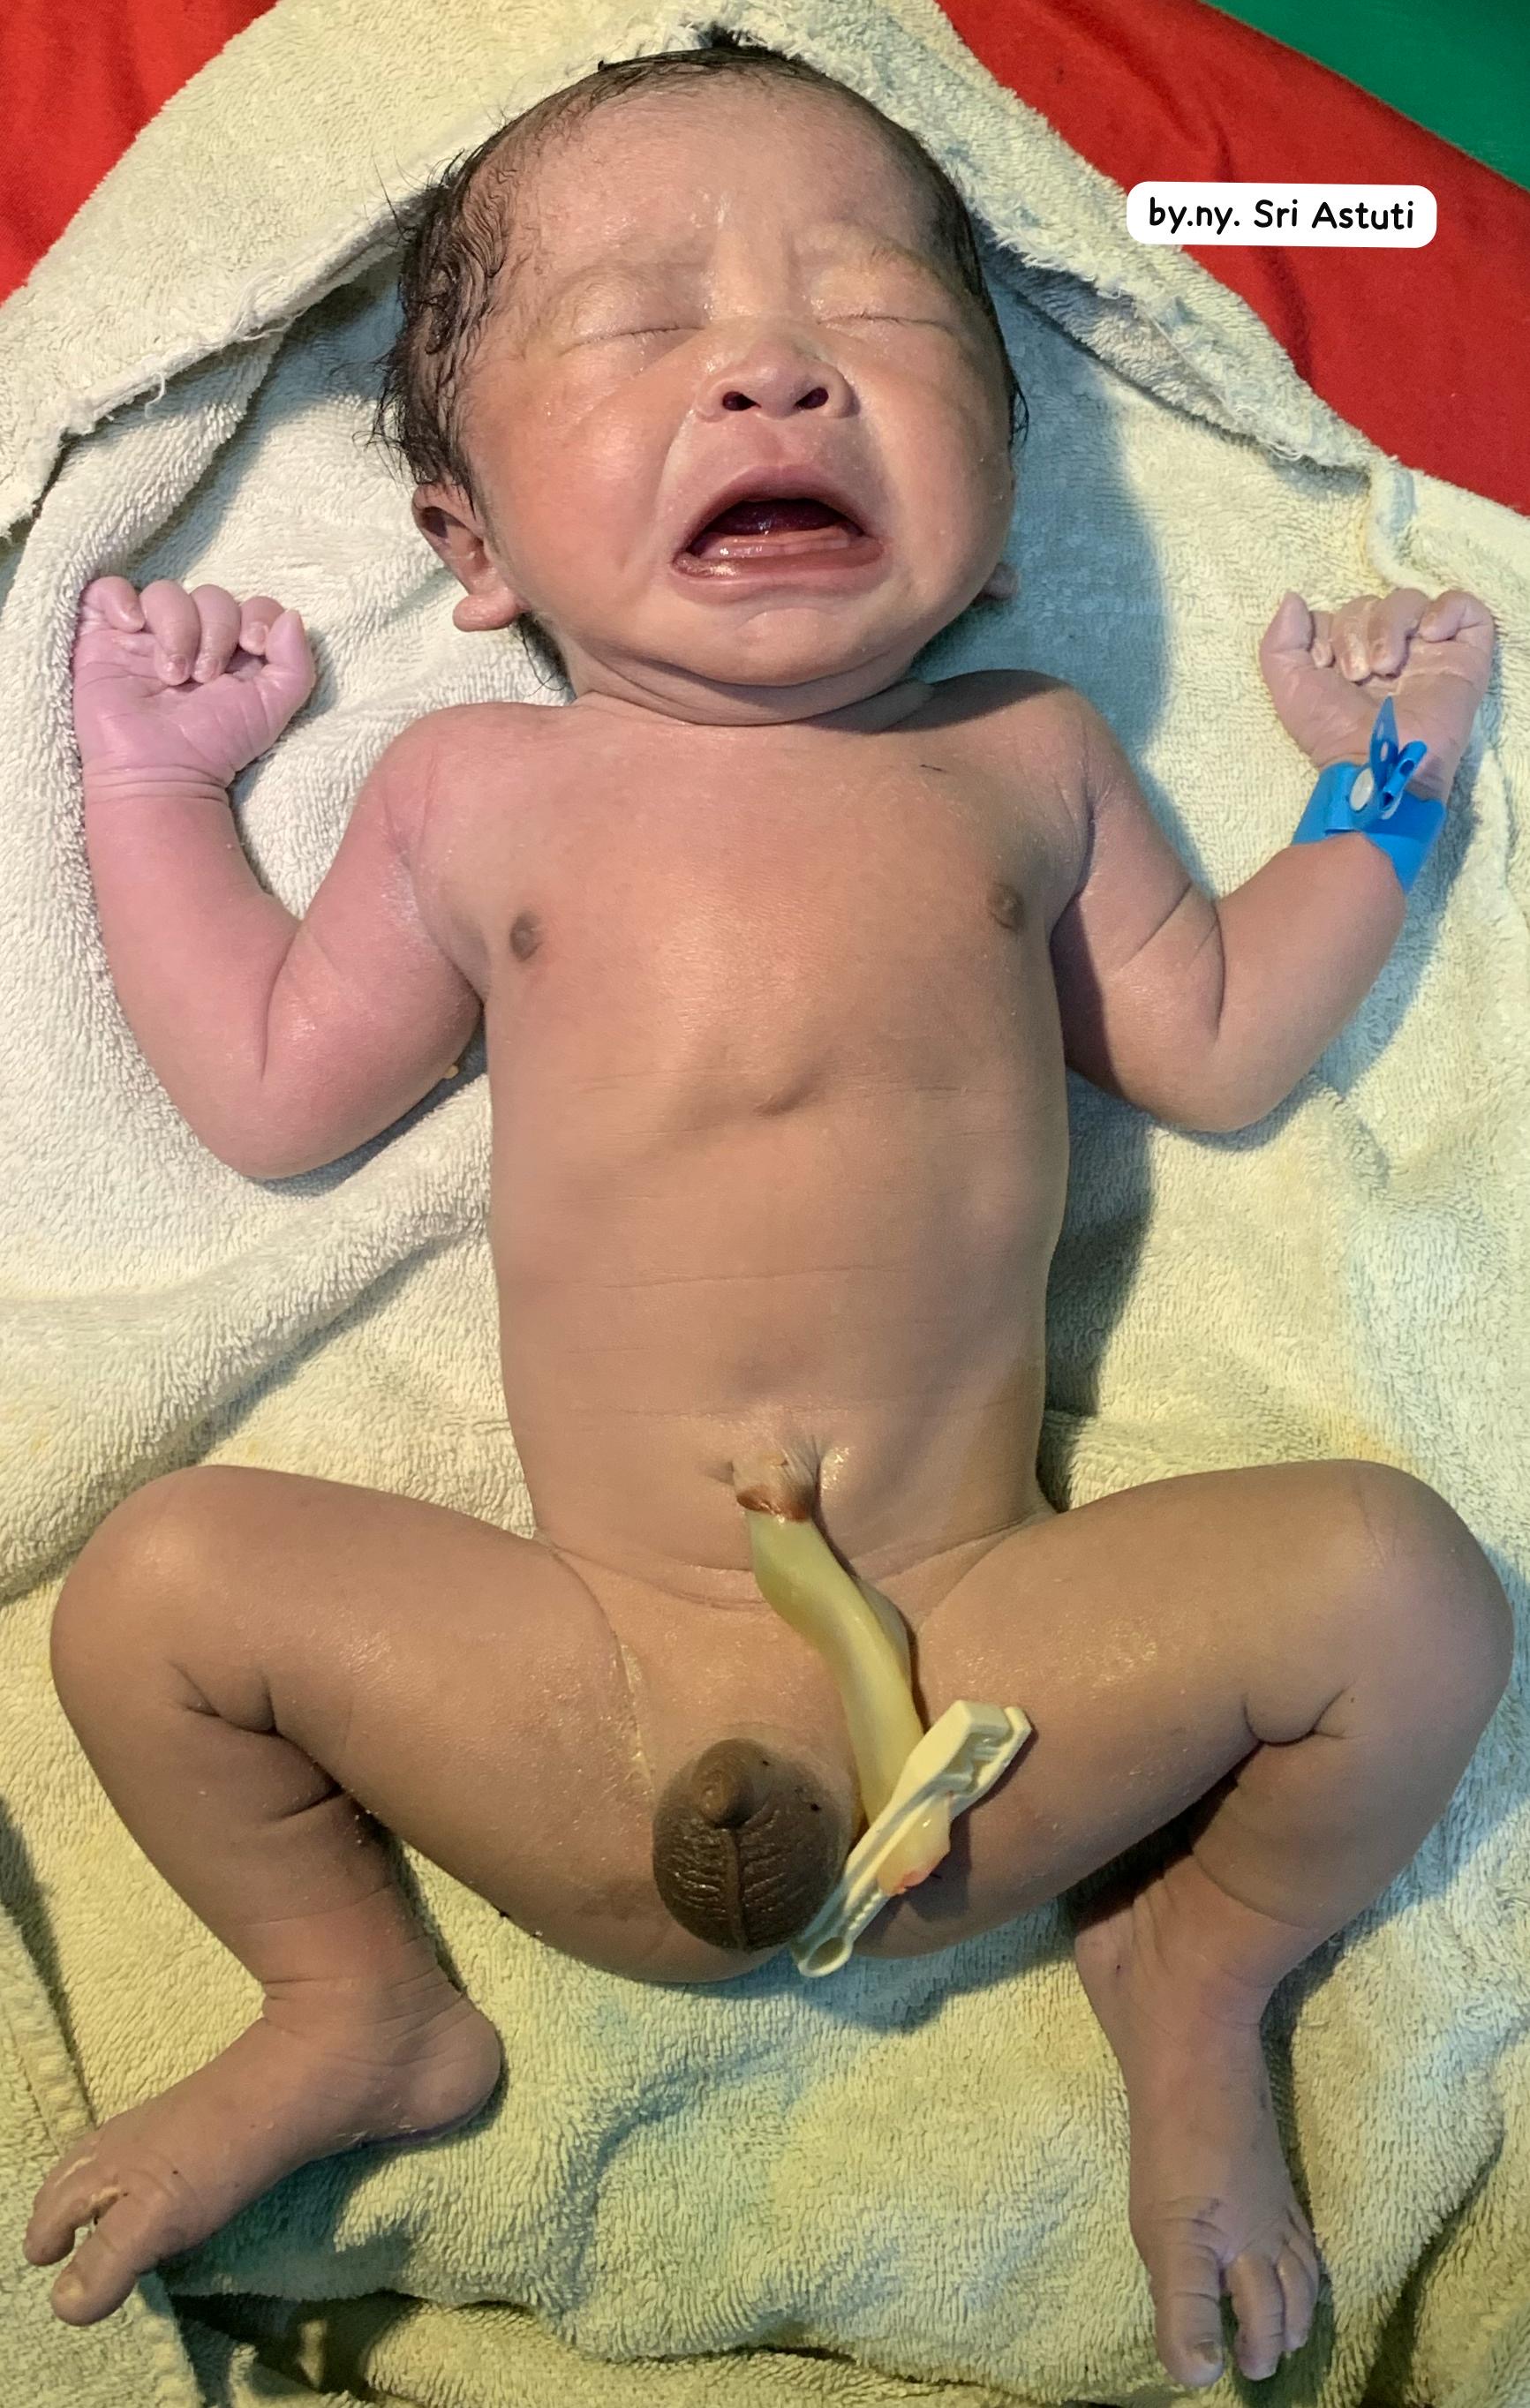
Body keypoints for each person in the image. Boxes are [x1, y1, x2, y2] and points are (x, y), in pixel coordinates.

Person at [27, 33, 1509, 2392]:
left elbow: (1222, 1040)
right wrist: (151, 784)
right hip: (583, 1671)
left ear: (1004, 526)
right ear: (471, 550)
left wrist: (1389, 785)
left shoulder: (1026, 760)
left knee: (1408, 1595)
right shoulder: (471, 794)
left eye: (879, 318)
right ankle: (351, 1998)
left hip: (994, 1662)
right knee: (155, 1594)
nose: (776, 368)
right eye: (639, 323)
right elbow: (272, 1091)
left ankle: (1196, 1964)